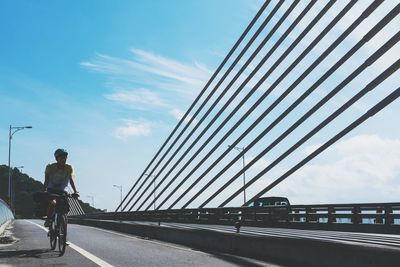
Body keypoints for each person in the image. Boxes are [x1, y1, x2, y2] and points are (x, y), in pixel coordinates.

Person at [43, 148, 78, 227]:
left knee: (65, 206)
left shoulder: (69, 168)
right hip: (51, 189)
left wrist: (75, 191)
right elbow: (46, 180)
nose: (64, 159)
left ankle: (63, 221)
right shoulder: (50, 167)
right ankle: (48, 219)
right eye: (61, 157)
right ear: (57, 158)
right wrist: (44, 190)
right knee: (53, 202)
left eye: (65, 157)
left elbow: (71, 180)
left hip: (63, 190)